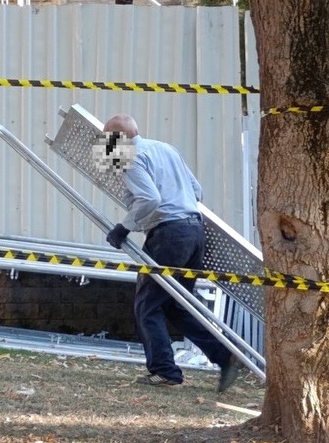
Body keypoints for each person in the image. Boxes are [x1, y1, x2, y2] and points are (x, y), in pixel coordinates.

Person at [100, 114, 242, 392]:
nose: (106, 145)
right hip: (194, 233)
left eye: (108, 138)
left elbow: (150, 198)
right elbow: (197, 190)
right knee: (177, 306)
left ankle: (165, 373)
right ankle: (225, 357)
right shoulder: (165, 148)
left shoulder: (128, 155)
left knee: (147, 305)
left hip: (169, 236)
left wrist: (124, 228)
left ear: (118, 137)